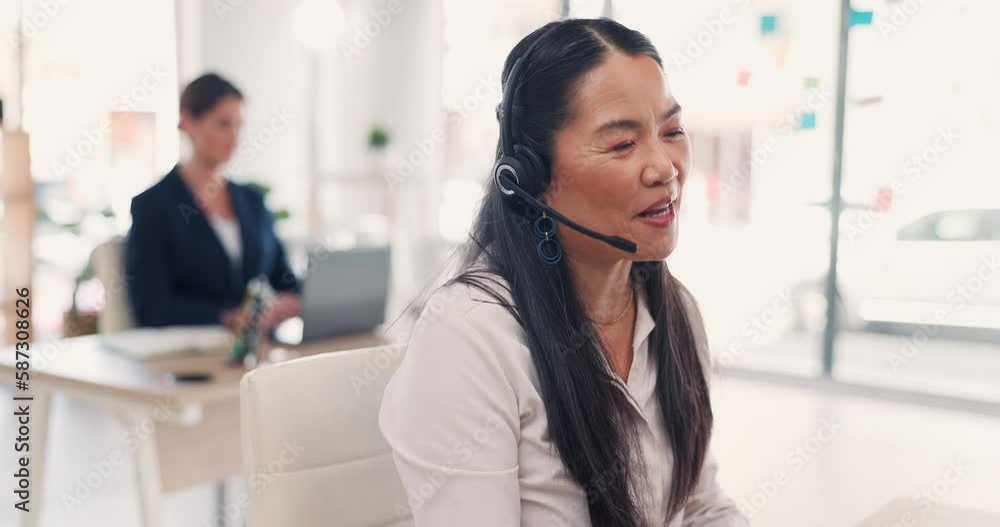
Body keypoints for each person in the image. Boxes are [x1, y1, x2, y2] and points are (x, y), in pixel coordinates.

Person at [379, 19, 749, 527]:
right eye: (622, 144)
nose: (664, 167)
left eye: (671, 132)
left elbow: (702, 506)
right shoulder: (468, 336)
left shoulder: (676, 310)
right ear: (531, 177)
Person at [125, 73, 301, 329]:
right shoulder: (153, 206)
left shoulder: (253, 201)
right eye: (223, 124)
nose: (235, 137)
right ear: (188, 121)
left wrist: (293, 301)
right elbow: (152, 308)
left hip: (260, 351)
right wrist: (228, 316)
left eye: (239, 125)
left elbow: (283, 280)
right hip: (193, 357)